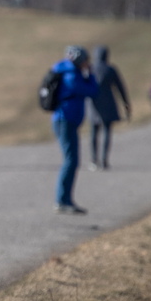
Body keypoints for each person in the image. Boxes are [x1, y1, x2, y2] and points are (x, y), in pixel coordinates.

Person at [49, 46, 98, 215]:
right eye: (85, 60)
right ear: (78, 60)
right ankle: (62, 200)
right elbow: (93, 90)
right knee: (71, 160)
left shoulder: (69, 72)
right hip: (65, 121)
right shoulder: (72, 76)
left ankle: (64, 199)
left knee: (71, 160)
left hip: (67, 121)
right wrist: (90, 75)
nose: (87, 63)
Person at [88, 45, 130, 171]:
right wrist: (126, 103)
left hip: (93, 104)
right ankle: (104, 160)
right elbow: (120, 87)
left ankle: (94, 159)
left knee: (94, 133)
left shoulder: (90, 69)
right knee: (106, 132)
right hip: (108, 104)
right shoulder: (110, 69)